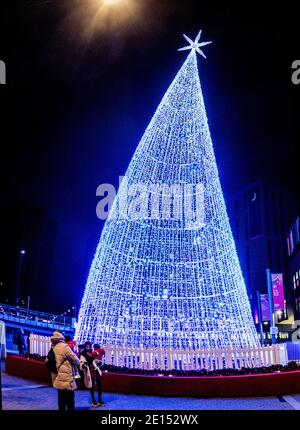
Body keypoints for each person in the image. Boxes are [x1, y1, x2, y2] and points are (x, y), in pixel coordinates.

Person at [48, 330, 80, 411]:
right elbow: (76, 360)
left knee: (61, 401)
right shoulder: (64, 347)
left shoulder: (53, 346)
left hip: (58, 376)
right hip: (67, 377)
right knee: (70, 401)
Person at [80, 341, 105, 407]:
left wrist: (99, 363)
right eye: (87, 346)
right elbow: (81, 362)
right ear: (85, 346)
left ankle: (100, 399)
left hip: (96, 370)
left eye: (89, 346)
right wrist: (84, 365)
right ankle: (93, 400)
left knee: (99, 385)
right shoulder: (83, 353)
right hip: (89, 370)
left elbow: (97, 359)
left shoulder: (93, 352)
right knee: (92, 386)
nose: (88, 348)